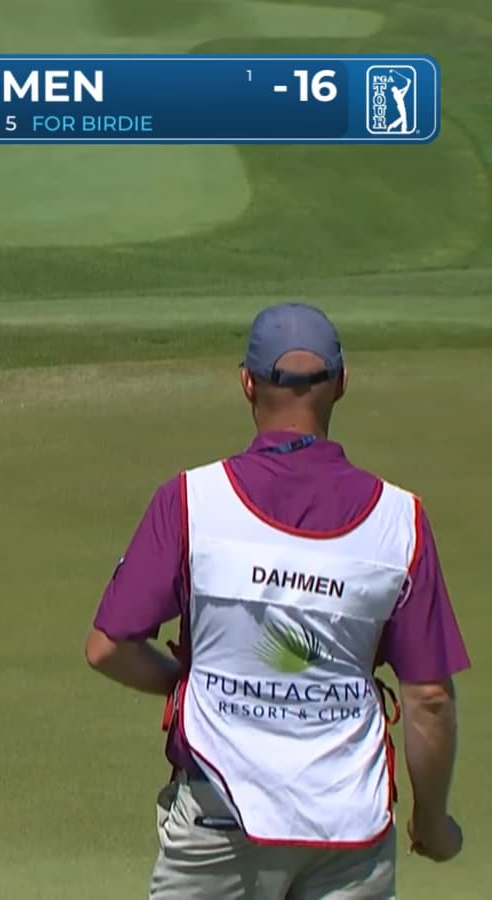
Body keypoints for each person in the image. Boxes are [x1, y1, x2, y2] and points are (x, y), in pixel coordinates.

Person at [85, 302, 468, 898]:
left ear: (246, 384)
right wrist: (430, 823)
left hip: (219, 821)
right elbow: (430, 700)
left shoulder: (189, 500)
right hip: (349, 830)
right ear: (342, 383)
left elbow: (108, 648)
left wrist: (185, 681)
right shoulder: (401, 521)